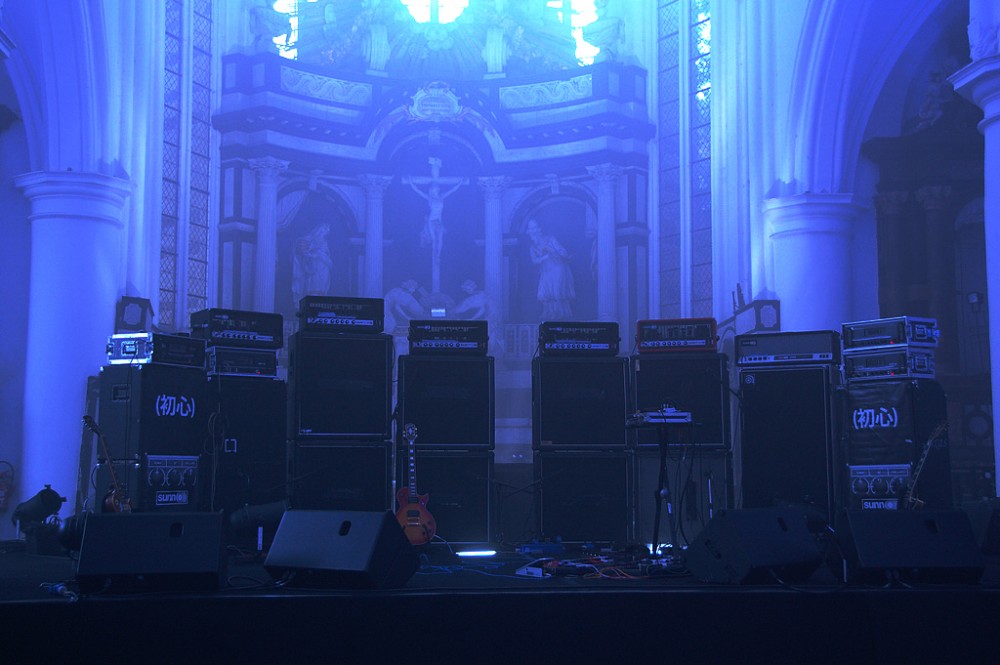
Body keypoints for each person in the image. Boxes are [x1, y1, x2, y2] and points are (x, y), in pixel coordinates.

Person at [526, 219, 575, 319]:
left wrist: (553, 251)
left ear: (539, 230)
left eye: (535, 228)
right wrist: (545, 257)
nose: (534, 232)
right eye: (531, 229)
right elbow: (534, 261)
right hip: (546, 269)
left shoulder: (550, 239)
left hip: (558, 267)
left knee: (557, 290)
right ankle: (550, 314)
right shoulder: (532, 247)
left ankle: (561, 314)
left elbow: (562, 251)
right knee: (546, 291)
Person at [291, 223, 333, 304]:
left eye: (327, 230)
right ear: (320, 230)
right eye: (325, 230)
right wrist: (310, 254)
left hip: (323, 267)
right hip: (313, 267)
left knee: (322, 289)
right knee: (314, 288)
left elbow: (327, 255)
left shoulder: (324, 242)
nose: (326, 232)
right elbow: (303, 248)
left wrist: (319, 254)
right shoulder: (311, 239)